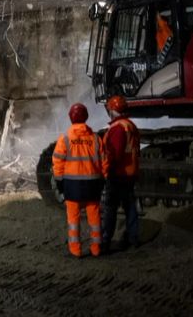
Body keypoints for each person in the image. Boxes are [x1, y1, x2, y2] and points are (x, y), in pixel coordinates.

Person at [51, 102, 105, 257]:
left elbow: (57, 163)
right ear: (86, 117)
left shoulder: (65, 139)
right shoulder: (95, 138)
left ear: (70, 118)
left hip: (72, 186)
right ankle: (96, 249)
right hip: (93, 184)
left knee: (73, 220)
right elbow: (104, 161)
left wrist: (60, 183)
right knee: (94, 219)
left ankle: (76, 250)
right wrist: (104, 179)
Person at [101, 94, 141, 253]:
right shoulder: (130, 125)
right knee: (130, 206)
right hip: (130, 172)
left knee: (110, 208)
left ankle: (105, 242)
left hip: (118, 173)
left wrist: (106, 171)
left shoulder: (117, 128)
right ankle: (134, 239)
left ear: (111, 110)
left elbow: (114, 154)